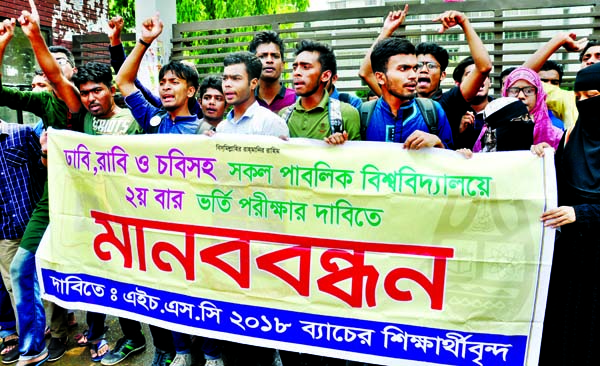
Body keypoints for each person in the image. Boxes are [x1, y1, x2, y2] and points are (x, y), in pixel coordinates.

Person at [0, 4, 81, 363]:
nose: (49, 71)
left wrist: (34, 36)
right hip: (49, 203)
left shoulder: (73, 102)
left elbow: (56, 75)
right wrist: (2, 44)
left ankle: (85, 333)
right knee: (20, 269)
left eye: (56, 65)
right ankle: (33, 347)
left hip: (82, 203)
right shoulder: (44, 102)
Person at [534, 62, 600, 365]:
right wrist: (541, 158)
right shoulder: (572, 134)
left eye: (595, 95)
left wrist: (583, 213)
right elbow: (554, 186)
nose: (586, 103)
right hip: (569, 255)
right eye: (581, 96)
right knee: (564, 328)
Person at [359, 6, 491, 147]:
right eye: (418, 66)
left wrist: (464, 22)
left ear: (443, 75)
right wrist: (386, 31)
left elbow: (483, 67)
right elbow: (366, 72)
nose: (420, 71)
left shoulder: (445, 104)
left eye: (431, 66)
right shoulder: (389, 98)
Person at [363, 37, 453, 149]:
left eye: (415, 68)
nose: (414, 76)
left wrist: (438, 144)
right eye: (404, 68)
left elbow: (451, 161)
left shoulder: (432, 111)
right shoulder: (364, 114)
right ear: (380, 77)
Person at [280, 39, 360, 144]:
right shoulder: (283, 116)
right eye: (295, 67)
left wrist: (341, 146)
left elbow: (358, 157)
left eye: (305, 67)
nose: (296, 73)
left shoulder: (346, 114)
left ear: (325, 76)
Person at [522, 33, 590, 130]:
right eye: (586, 58)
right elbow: (521, 78)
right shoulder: (570, 99)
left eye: (599, 56)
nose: (590, 61)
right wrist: (560, 39)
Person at [215, 51, 288, 137]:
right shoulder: (221, 128)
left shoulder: (271, 123)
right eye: (225, 78)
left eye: (236, 78)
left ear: (253, 83)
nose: (227, 84)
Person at [502, 67, 563, 148]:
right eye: (514, 91)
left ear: (538, 95)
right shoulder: (492, 131)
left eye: (529, 91)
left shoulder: (556, 136)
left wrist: (550, 154)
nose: (521, 96)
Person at [248, 30, 296, 112]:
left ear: (282, 65)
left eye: (275, 56)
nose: (269, 60)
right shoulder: (247, 101)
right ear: (252, 65)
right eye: (262, 56)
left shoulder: (295, 99)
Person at [452, 56, 492, 149]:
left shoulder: (502, 110)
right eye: (471, 75)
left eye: (483, 75)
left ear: (490, 81)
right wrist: (457, 131)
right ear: (459, 84)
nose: (479, 79)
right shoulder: (450, 114)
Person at [469, 97, 534, 153]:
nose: (529, 123)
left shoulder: (536, 153)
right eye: (519, 119)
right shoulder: (481, 159)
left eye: (527, 117)